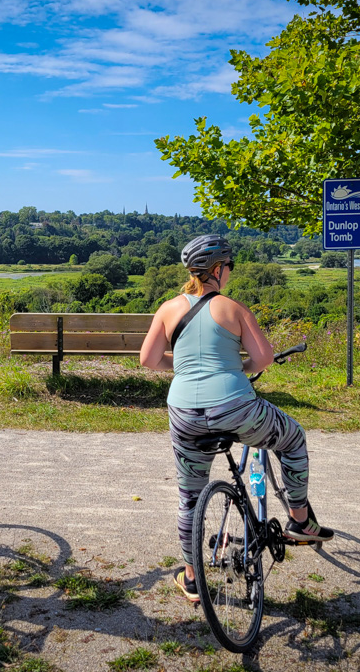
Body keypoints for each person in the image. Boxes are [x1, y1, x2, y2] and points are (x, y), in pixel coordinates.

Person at [139, 235, 334, 603]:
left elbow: (148, 359)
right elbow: (262, 359)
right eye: (228, 266)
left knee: (190, 497)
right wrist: (238, 367)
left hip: (183, 413)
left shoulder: (168, 309)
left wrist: (180, 369)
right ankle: (300, 519)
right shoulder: (234, 308)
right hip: (235, 407)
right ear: (216, 270)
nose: (230, 272)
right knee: (293, 439)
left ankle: (193, 579)